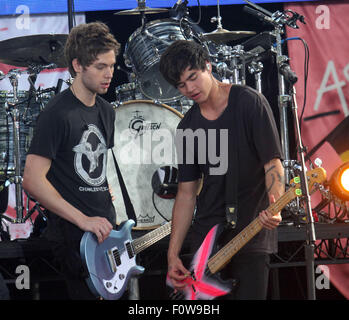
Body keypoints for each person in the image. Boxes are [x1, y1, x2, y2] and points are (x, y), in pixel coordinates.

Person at [159, 40, 285, 300]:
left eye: (193, 78)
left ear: (208, 66)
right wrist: (173, 255)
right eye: (181, 85)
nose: (189, 89)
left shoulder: (249, 102)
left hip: (252, 230)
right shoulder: (187, 127)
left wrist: (277, 207)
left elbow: (272, 164)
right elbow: (186, 193)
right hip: (207, 239)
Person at [22, 22, 120, 299]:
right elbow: (32, 179)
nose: (109, 74)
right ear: (78, 65)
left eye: (112, 65)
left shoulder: (106, 111)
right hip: (73, 235)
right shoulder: (57, 113)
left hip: (106, 232)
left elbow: (96, 170)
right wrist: (83, 219)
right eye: (100, 66)